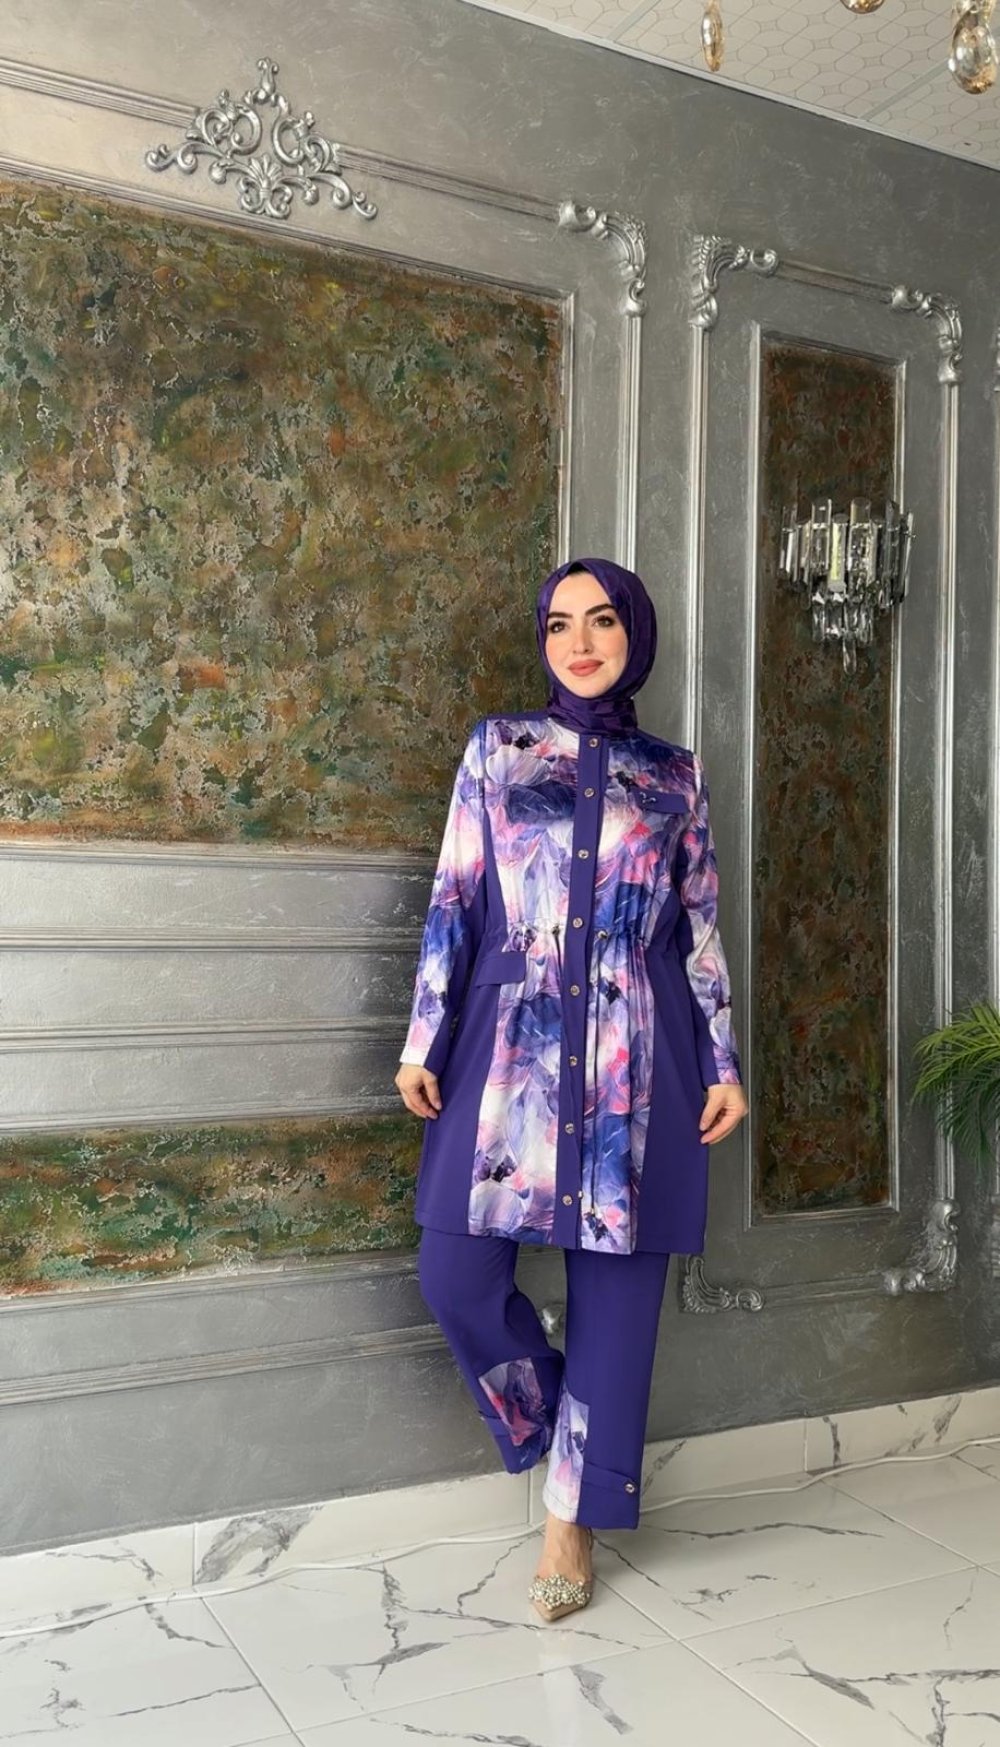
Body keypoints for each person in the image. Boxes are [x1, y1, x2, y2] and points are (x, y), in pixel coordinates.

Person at [395, 557, 748, 1621]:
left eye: (601, 621)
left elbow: (697, 931)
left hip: (642, 1051)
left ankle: (571, 1521)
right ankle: (568, 1443)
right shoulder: (498, 750)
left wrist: (723, 1061)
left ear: (634, 635)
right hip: (510, 1044)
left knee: (617, 1298)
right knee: (454, 1274)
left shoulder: (673, 774)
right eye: (559, 624)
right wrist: (423, 1039)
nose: (579, 642)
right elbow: (455, 897)